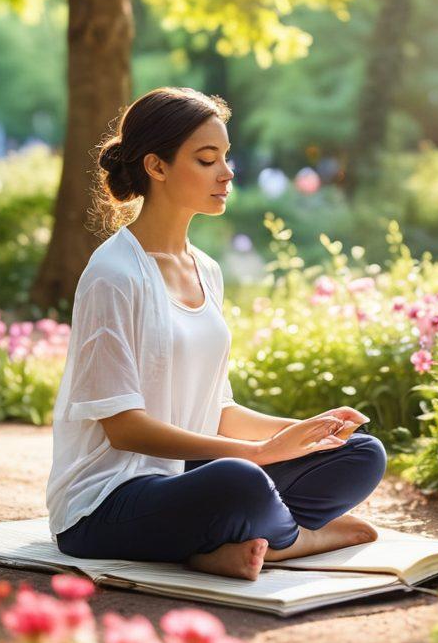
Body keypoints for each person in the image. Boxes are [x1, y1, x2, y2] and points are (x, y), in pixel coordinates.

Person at [47, 87, 387, 582]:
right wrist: (257, 454)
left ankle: (230, 544)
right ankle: (292, 541)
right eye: (207, 160)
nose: (227, 173)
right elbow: (124, 428)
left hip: (184, 480)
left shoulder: (205, 270)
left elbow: (217, 410)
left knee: (358, 452)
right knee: (240, 481)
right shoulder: (114, 275)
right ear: (156, 167)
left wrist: (300, 433)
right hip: (105, 504)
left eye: (226, 158)